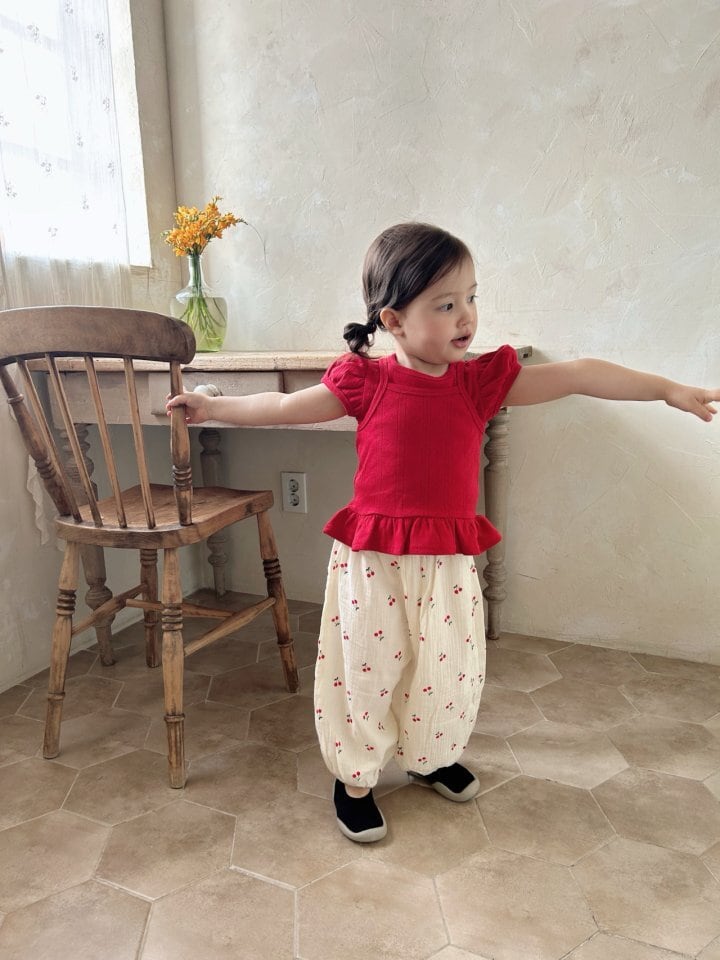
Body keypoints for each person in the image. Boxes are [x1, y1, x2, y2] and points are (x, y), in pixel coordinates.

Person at [167, 221, 718, 843]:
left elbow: (580, 374)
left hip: (447, 561)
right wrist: (212, 406)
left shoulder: (478, 384)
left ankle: (429, 756)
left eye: (472, 298)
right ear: (394, 320)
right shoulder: (365, 381)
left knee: (447, 665)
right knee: (368, 667)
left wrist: (667, 389)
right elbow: (283, 406)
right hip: (373, 559)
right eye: (446, 304)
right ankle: (355, 779)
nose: (468, 316)